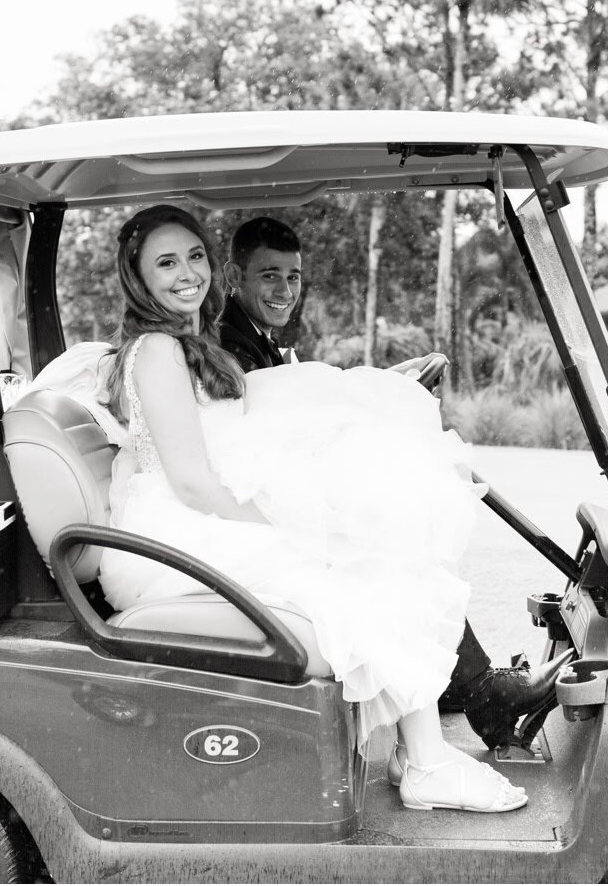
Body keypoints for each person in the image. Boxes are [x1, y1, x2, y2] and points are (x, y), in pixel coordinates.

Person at [96, 204, 528, 814]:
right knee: (357, 564)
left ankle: (419, 751)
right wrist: (292, 524)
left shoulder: (184, 343)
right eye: (166, 262)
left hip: (196, 514)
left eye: (194, 256)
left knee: (373, 547)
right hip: (181, 530)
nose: (187, 272)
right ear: (138, 278)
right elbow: (192, 483)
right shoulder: (159, 351)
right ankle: (426, 762)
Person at [219, 215, 565, 751]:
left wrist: (387, 386)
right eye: (269, 276)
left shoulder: (257, 338)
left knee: (400, 517)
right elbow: (276, 437)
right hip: (253, 512)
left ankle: (457, 683)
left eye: (292, 276)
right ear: (233, 277)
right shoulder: (230, 348)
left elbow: (306, 406)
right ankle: (479, 692)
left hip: (277, 491)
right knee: (394, 538)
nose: (284, 290)